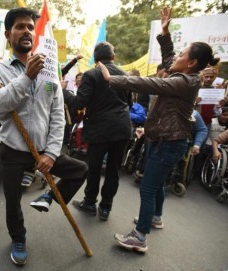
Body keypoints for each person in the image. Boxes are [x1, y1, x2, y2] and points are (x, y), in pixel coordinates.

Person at [98, 7, 219, 252]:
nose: (176, 56)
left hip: (170, 142)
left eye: (182, 54)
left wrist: (113, 79)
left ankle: (140, 237)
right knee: (157, 182)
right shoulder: (183, 74)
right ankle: (155, 217)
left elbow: (148, 82)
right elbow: (168, 60)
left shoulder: (185, 81)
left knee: (148, 187)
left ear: (192, 63)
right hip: (162, 138)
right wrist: (164, 34)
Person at [0, 8, 88, 266]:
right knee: (13, 202)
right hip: (13, 151)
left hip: (43, 151)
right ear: (8, 35)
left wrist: (51, 153)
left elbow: (57, 115)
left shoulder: (50, 71)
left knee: (80, 170)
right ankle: (18, 238)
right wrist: (26, 77)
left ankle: (48, 197)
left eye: (30, 26)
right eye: (20, 26)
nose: (27, 30)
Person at [63, 41, 132, 220]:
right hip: (122, 128)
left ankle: (89, 203)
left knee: (94, 168)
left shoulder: (91, 74)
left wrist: (63, 92)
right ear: (113, 57)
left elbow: (79, 103)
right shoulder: (124, 75)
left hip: (100, 130)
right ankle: (105, 208)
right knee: (113, 171)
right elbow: (129, 103)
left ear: (95, 58)